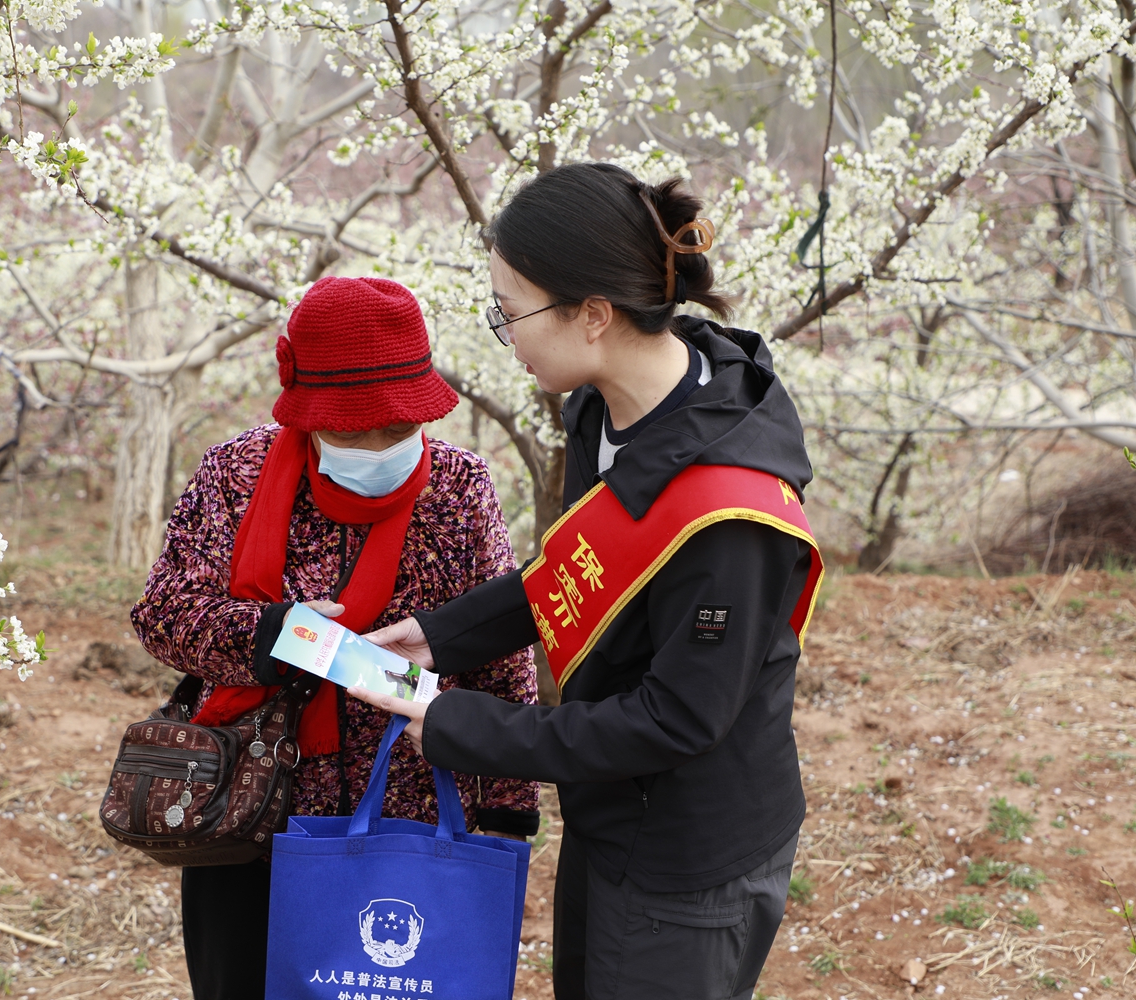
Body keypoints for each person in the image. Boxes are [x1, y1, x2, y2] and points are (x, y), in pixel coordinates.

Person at [351, 162, 824, 1000]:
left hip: (684, 855)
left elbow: (677, 719)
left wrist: (464, 724)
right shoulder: (607, 410)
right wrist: (444, 634)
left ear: (594, 315)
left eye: (512, 310)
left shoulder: (730, 514)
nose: (505, 330)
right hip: (613, 811)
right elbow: (580, 566)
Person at [131, 276, 540, 1000]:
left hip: (407, 823)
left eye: (397, 429)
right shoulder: (238, 474)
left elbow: (501, 649)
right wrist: (272, 632)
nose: (379, 447)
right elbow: (163, 613)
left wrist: (508, 802)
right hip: (250, 816)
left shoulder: (457, 485)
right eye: (352, 432)